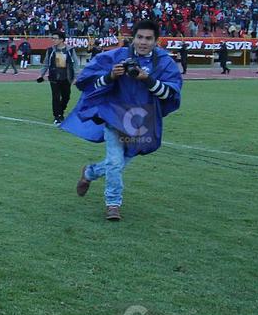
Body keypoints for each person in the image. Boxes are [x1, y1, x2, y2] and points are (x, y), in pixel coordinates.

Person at [63, 20, 183, 221]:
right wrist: (110, 76)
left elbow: (169, 94)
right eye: (139, 37)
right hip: (115, 115)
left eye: (148, 38)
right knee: (115, 162)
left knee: (118, 163)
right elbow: (90, 85)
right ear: (133, 38)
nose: (143, 42)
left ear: (156, 41)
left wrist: (147, 79)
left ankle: (90, 173)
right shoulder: (115, 56)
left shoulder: (164, 62)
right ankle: (113, 204)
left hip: (142, 120)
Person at [38, 30, 78, 125]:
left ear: (61, 39)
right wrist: (41, 74)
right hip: (54, 77)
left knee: (66, 96)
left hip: (67, 77)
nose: (53, 40)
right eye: (52, 38)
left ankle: (61, 111)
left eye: (55, 38)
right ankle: (57, 116)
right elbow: (46, 63)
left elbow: (75, 64)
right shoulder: (50, 50)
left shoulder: (70, 50)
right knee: (55, 97)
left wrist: (76, 77)